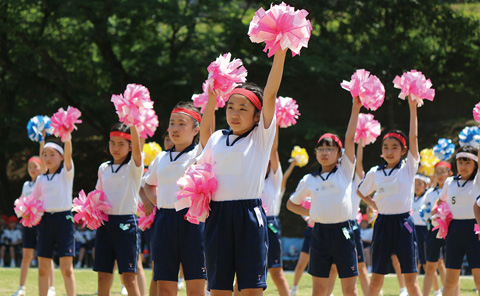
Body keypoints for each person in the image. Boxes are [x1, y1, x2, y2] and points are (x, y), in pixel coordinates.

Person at [197, 49, 287, 296]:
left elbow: (269, 95)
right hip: (218, 217)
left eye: (243, 109)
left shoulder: (260, 138)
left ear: (257, 116)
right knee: (219, 290)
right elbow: (205, 133)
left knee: (250, 290)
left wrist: (280, 53)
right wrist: (212, 98)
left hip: (249, 215)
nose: (234, 114)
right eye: (231, 107)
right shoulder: (218, 138)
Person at [287, 95, 362, 296]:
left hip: (344, 232)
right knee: (319, 290)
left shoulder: (345, 171)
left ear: (340, 154)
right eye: (321, 149)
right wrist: (311, 212)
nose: (325, 152)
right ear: (316, 153)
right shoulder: (309, 179)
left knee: (350, 290)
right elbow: (291, 204)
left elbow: (349, 137)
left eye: (330, 149)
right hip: (319, 233)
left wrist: (355, 108)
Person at [357, 98, 422, 296]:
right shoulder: (375, 172)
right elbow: (361, 191)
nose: (389, 151)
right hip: (383, 224)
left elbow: (414, 137)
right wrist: (374, 205)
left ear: (403, 151)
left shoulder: (408, 168)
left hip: (404, 223)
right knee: (376, 278)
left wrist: (412, 107)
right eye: (386, 147)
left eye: (395, 147)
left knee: (410, 278)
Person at [144, 102, 207, 296]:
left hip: (192, 222)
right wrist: (159, 201)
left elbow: (208, 128)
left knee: (195, 285)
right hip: (164, 221)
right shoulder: (161, 157)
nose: (175, 128)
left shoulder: (201, 153)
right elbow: (147, 183)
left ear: (196, 130)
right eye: (172, 123)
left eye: (182, 123)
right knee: (164, 285)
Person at [93, 123, 142, 296]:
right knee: (103, 277)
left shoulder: (134, 167)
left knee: (129, 278)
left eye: (121, 144)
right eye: (112, 143)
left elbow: (137, 150)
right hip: (105, 224)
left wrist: (134, 123)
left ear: (130, 146)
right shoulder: (103, 168)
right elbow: (97, 195)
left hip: (127, 224)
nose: (115, 147)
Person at [434, 145, 480, 295]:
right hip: (454, 231)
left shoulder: (478, 181)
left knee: (479, 279)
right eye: (460, 162)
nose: (463, 166)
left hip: (475, 230)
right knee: (450, 281)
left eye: (468, 162)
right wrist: (435, 211)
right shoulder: (450, 182)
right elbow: (440, 200)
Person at [33, 138, 76, 296]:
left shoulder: (66, 174)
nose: (48, 158)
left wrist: (67, 137)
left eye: (52, 154)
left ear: (61, 156)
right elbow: (32, 201)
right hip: (45, 222)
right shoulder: (41, 179)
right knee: (43, 269)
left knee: (66, 269)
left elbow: (69, 154)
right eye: (45, 154)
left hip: (64, 220)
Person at [12, 155, 56, 296]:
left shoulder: (43, 181)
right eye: (29, 167)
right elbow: (21, 202)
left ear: (41, 167)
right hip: (28, 223)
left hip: (41, 222)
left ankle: (51, 287)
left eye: (35, 166)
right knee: (26, 255)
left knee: (45, 256)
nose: (32, 169)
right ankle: (21, 287)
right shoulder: (26, 185)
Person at [423, 162, 453, 296]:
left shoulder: (454, 190)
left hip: (451, 230)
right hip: (434, 231)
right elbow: (425, 210)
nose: (440, 175)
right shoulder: (429, 193)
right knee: (430, 266)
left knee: (451, 266)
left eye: (443, 172)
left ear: (450, 173)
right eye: (437, 172)